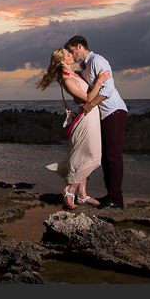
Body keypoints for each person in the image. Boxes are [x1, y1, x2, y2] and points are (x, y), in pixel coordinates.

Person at [36, 48, 110, 209]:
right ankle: (70, 189)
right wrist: (100, 81)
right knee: (94, 157)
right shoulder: (67, 79)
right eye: (68, 54)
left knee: (83, 157)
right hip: (86, 118)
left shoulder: (75, 73)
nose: (71, 55)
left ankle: (82, 195)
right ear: (63, 61)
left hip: (91, 114)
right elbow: (89, 98)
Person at [65, 35, 128, 209]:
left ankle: (117, 199)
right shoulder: (84, 67)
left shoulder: (98, 61)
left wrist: (90, 105)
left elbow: (107, 89)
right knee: (107, 157)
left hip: (114, 111)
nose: (72, 54)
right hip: (104, 114)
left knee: (113, 156)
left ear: (79, 46)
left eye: (71, 51)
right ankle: (111, 195)